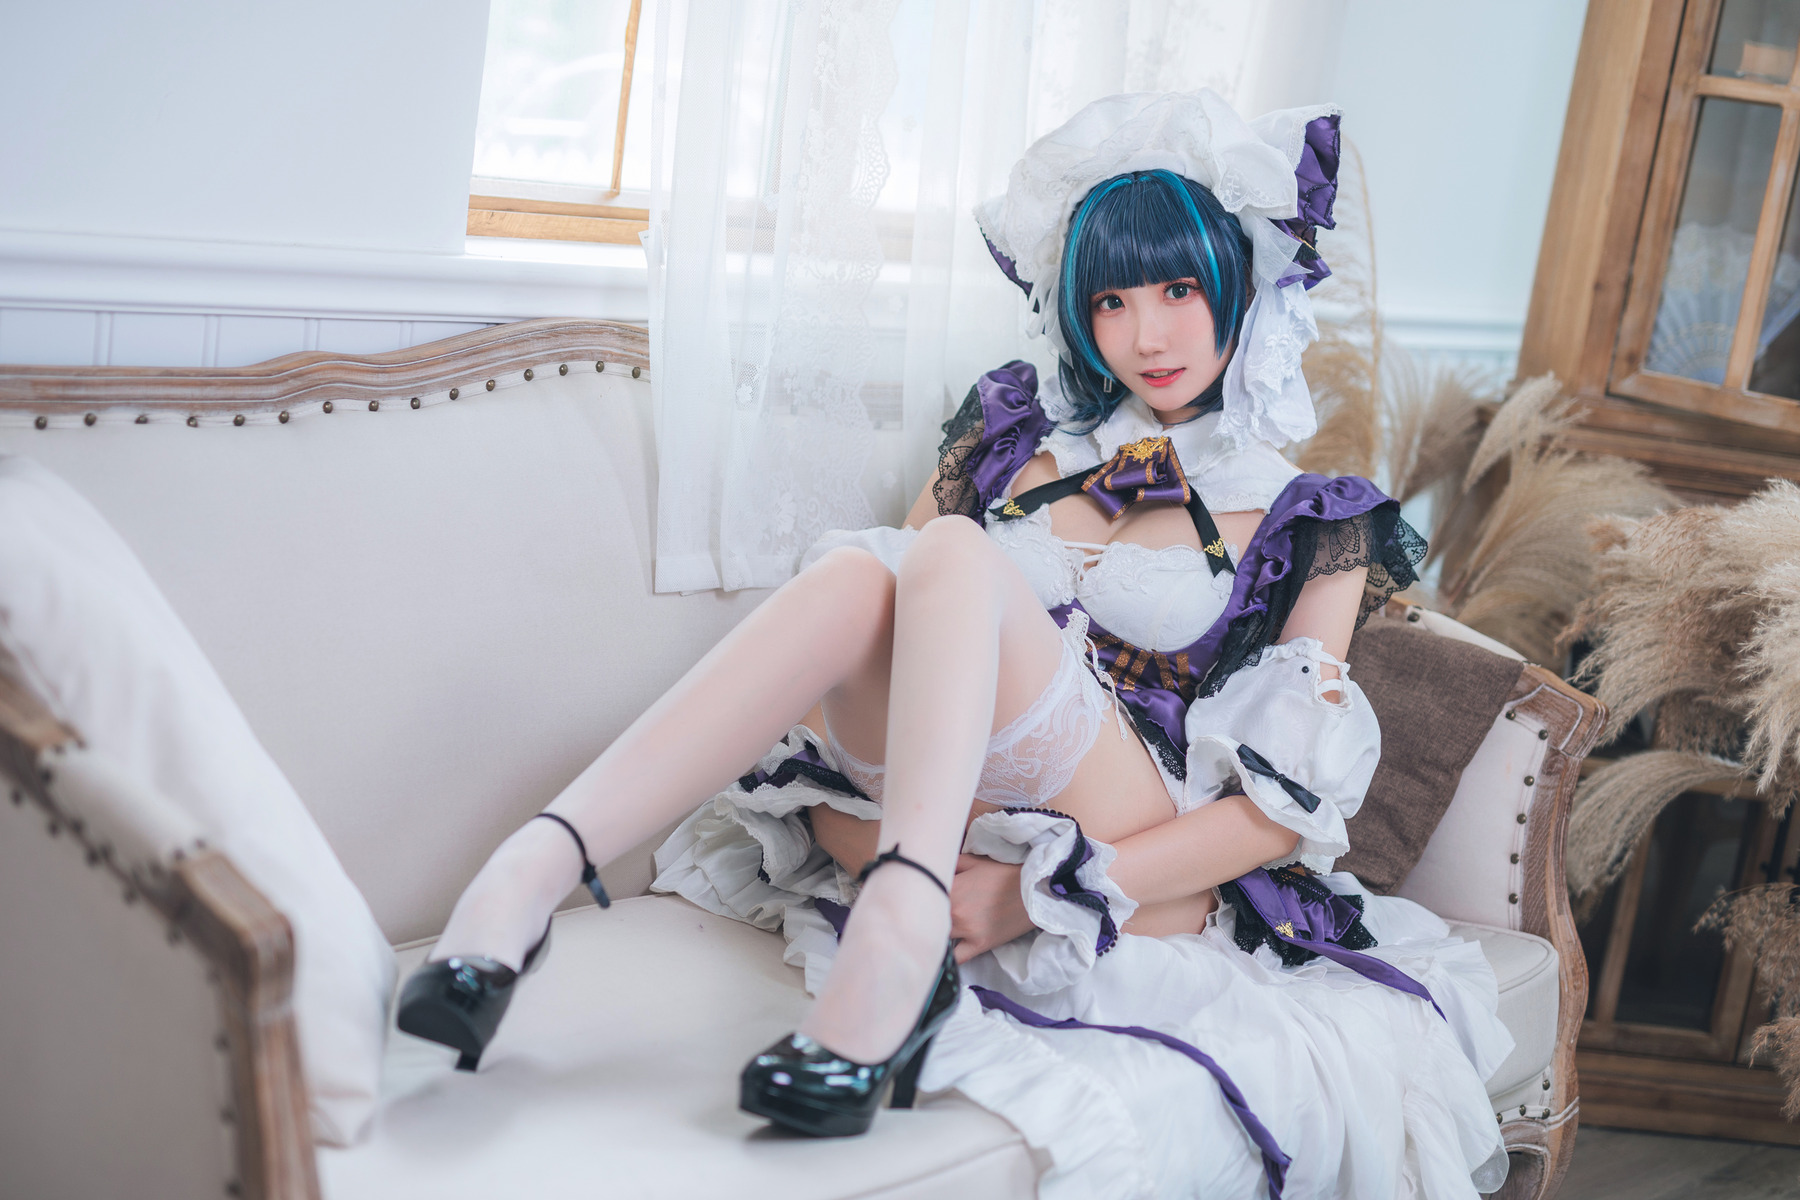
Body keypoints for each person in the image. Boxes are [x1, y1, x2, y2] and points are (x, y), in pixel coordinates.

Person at [398, 90, 1514, 1197]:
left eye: (1180, 290)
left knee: (950, 552)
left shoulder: (1312, 520)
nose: (1148, 335)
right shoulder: (1017, 437)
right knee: (865, 573)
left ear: (1241, 284)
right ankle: (531, 877)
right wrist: (846, 826)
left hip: (1124, 826)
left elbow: (1276, 816)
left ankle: (890, 927)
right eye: (1112, 300)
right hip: (948, 800)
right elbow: (887, 628)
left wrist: (1037, 896)